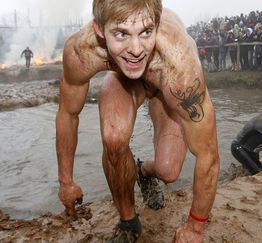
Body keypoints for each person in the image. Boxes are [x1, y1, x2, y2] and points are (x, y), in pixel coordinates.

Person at [55, 1, 220, 242]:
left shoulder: (180, 68)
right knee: (113, 137)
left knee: (169, 171)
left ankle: (144, 171)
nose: (136, 49)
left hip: (165, 85)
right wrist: (66, 181)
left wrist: (195, 228)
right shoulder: (82, 51)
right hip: (123, 79)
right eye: (121, 34)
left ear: (156, 25)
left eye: (145, 32)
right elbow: (68, 114)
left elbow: (209, 155)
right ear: (100, 30)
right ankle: (128, 220)